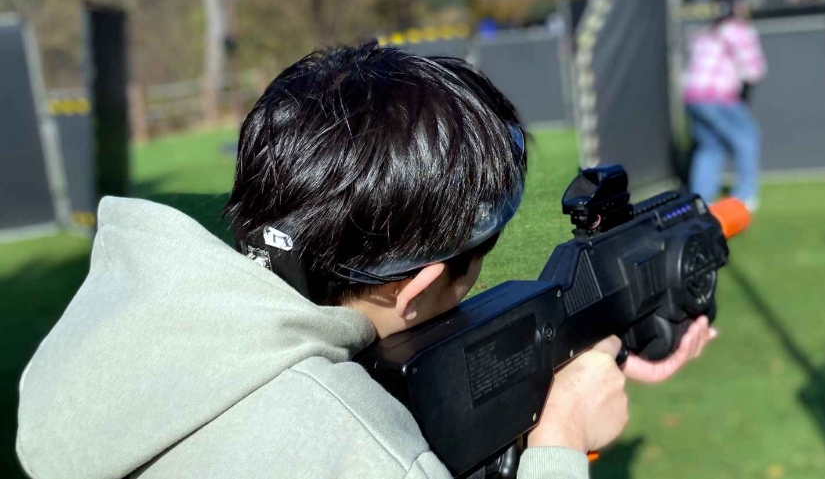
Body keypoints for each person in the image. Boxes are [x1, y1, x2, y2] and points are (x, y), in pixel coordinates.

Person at [17, 43, 716, 479]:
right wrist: (560, 440)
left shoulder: (119, 341)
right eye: (476, 266)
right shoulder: (371, 458)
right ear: (416, 288)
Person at [683, 0, 767, 212]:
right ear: (737, 7)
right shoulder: (739, 30)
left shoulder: (705, 32)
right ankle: (744, 199)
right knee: (747, 138)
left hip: (692, 96)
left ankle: (701, 202)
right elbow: (754, 71)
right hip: (718, 96)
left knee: (709, 146)